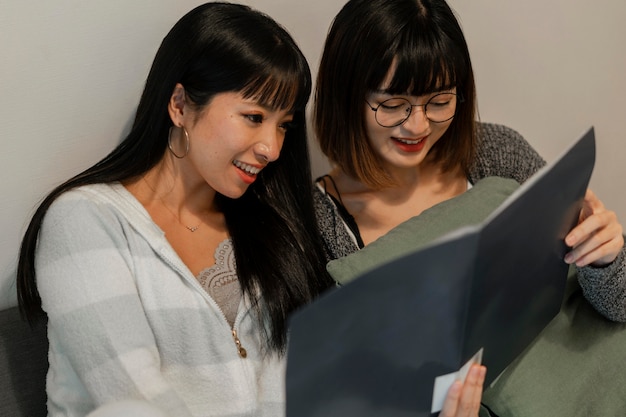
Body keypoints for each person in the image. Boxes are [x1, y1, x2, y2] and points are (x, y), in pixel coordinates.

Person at [16, 3, 334, 416]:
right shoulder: (84, 222)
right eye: (254, 117)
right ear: (180, 104)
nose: (272, 149)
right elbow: (131, 400)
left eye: (283, 125)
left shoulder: (269, 227)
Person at [313, 0, 626, 349]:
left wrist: (605, 259)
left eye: (439, 100)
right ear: (345, 97)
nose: (418, 126)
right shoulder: (321, 226)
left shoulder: (496, 154)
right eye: (392, 105)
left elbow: (620, 305)